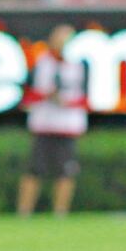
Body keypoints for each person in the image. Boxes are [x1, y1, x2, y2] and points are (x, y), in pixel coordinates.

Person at [17, 25, 88, 217]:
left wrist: (66, 101)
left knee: (66, 172)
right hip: (44, 124)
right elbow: (25, 94)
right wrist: (47, 96)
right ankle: (24, 211)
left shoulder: (79, 65)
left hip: (67, 126)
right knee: (34, 170)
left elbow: (88, 98)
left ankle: (60, 212)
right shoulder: (41, 63)